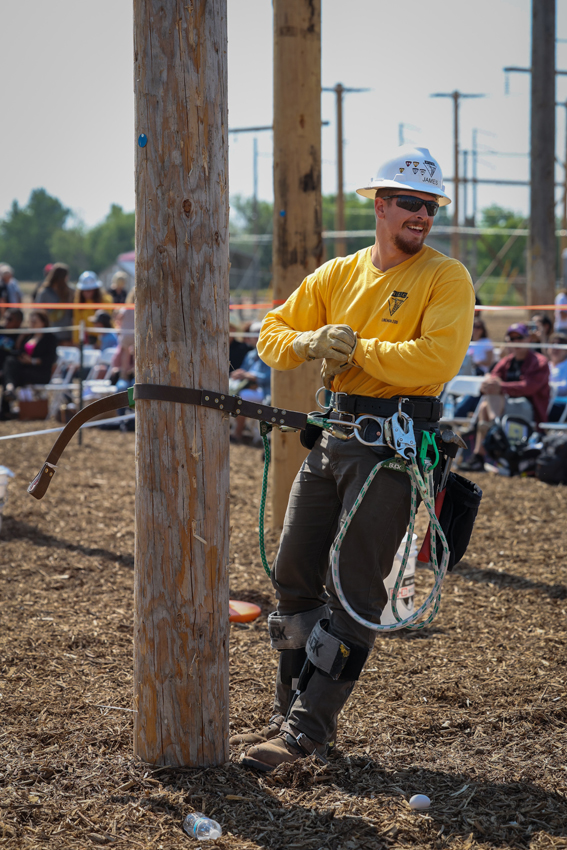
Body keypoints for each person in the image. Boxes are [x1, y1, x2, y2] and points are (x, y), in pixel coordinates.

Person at [231, 146, 475, 772]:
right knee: (291, 576)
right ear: (381, 205)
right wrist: (312, 339)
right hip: (335, 436)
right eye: (411, 204)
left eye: (431, 206)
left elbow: (436, 360)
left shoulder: (444, 278)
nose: (423, 216)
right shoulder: (337, 275)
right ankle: (291, 715)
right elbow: (271, 337)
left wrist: (357, 350)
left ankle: (305, 733)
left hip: (391, 448)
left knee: (355, 590)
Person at [461, 323, 550, 472]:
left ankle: (482, 451)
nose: (516, 342)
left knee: (490, 399)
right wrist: (489, 383)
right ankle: (494, 431)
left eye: (519, 338)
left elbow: (529, 387)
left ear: (528, 339)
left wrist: (500, 387)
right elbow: (493, 376)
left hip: (530, 410)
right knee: (487, 401)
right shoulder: (506, 361)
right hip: (506, 408)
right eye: (511, 338)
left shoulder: (540, 362)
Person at [1, 311, 58, 418]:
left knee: (8, 374)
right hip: (25, 368)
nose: (32, 324)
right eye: (30, 322)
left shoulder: (50, 338)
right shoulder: (29, 336)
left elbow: (50, 359)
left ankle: (7, 401)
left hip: (40, 372)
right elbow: (18, 351)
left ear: (43, 323)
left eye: (34, 322)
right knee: (10, 361)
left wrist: (32, 361)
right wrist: (22, 337)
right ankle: (9, 392)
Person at [229, 321, 271, 442]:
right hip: (251, 389)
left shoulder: (270, 354)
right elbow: (245, 370)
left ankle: (238, 432)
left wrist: (249, 376)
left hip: (265, 392)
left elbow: (269, 378)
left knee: (241, 397)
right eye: (254, 335)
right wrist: (239, 373)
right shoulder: (250, 354)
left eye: (259, 334)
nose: (256, 337)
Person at [35, 263, 74, 343]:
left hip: (67, 333)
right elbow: (38, 312)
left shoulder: (71, 291)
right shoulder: (45, 292)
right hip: (49, 333)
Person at [72, 271, 113, 344]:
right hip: (88, 338)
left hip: (106, 338)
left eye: (90, 290)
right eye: (84, 290)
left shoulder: (106, 301)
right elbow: (77, 323)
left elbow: (106, 324)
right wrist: (76, 342)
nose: (87, 292)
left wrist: (99, 343)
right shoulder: (78, 302)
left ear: (96, 290)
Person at [548, 332, 567, 422]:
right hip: (544, 402)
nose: (555, 348)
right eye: (552, 344)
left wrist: (548, 388)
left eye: (559, 344)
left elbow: (565, 389)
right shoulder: (544, 365)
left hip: (561, 406)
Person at [0, 308, 23, 373]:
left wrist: (20, 339)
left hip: (9, 368)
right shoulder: (1, 330)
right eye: (4, 318)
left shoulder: (22, 334)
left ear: (19, 322)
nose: (6, 321)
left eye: (9, 319)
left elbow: (18, 353)